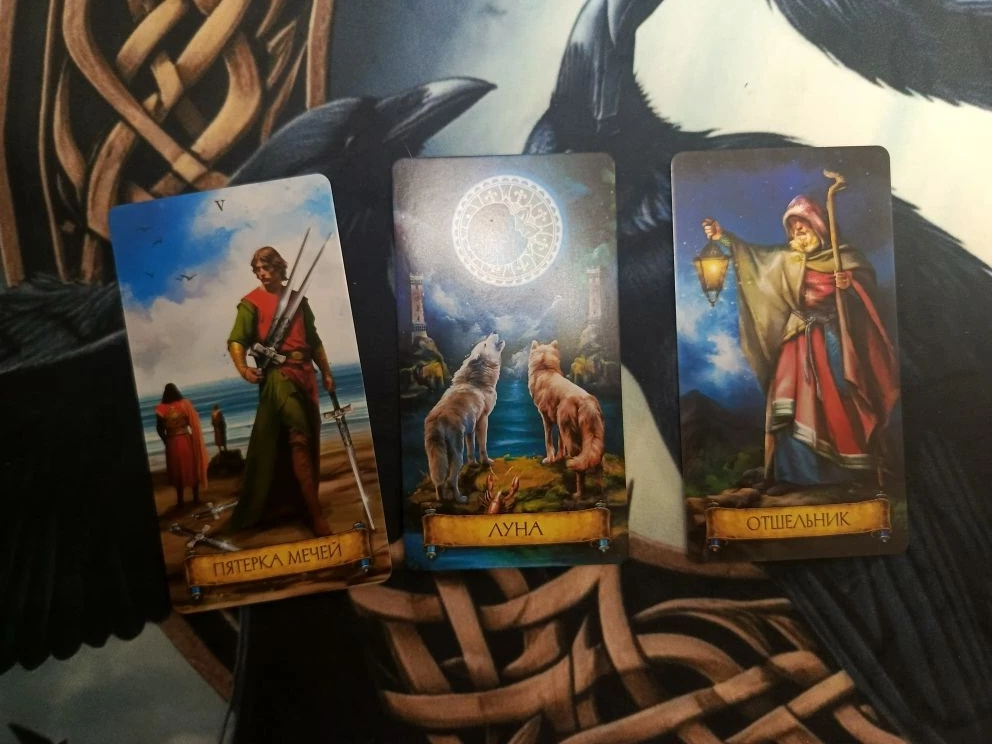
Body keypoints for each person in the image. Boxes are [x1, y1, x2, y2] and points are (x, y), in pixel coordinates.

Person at [702, 195, 900, 491]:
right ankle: (793, 476)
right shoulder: (789, 259)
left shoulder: (845, 259)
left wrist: (851, 285)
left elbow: (868, 295)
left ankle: (846, 473)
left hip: (832, 338)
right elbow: (753, 255)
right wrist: (723, 237)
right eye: (793, 232)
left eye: (803, 230)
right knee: (789, 403)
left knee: (840, 396)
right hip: (796, 341)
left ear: (819, 228)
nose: (797, 237)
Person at [226, 246, 336, 536]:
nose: (262, 274)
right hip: (278, 377)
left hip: (305, 375)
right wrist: (243, 369)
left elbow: (314, 341)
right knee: (299, 437)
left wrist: (326, 372)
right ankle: (315, 515)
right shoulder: (250, 304)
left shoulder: (298, 300)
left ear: (279, 268)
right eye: (257, 270)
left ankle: (296, 504)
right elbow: (237, 341)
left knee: (307, 436)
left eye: (267, 268)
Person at [155, 383, 208, 507]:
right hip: (186, 440)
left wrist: (165, 440)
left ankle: (180, 501)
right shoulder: (185, 404)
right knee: (191, 467)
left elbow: (159, 428)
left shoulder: (161, 408)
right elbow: (193, 422)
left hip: (172, 443)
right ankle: (196, 498)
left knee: (176, 469)